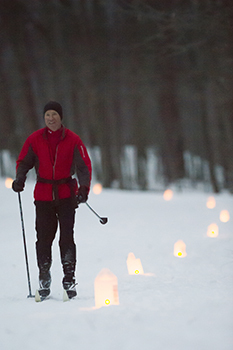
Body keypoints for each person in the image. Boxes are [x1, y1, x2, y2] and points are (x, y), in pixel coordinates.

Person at [12, 101, 92, 300]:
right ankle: (44, 276)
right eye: (47, 114)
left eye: (54, 114)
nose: (51, 118)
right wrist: (20, 178)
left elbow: (83, 166)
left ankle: (69, 279)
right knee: (44, 238)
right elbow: (24, 161)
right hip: (43, 195)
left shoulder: (73, 140)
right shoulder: (35, 139)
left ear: (60, 117)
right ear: (44, 117)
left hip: (66, 195)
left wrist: (83, 189)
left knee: (66, 238)